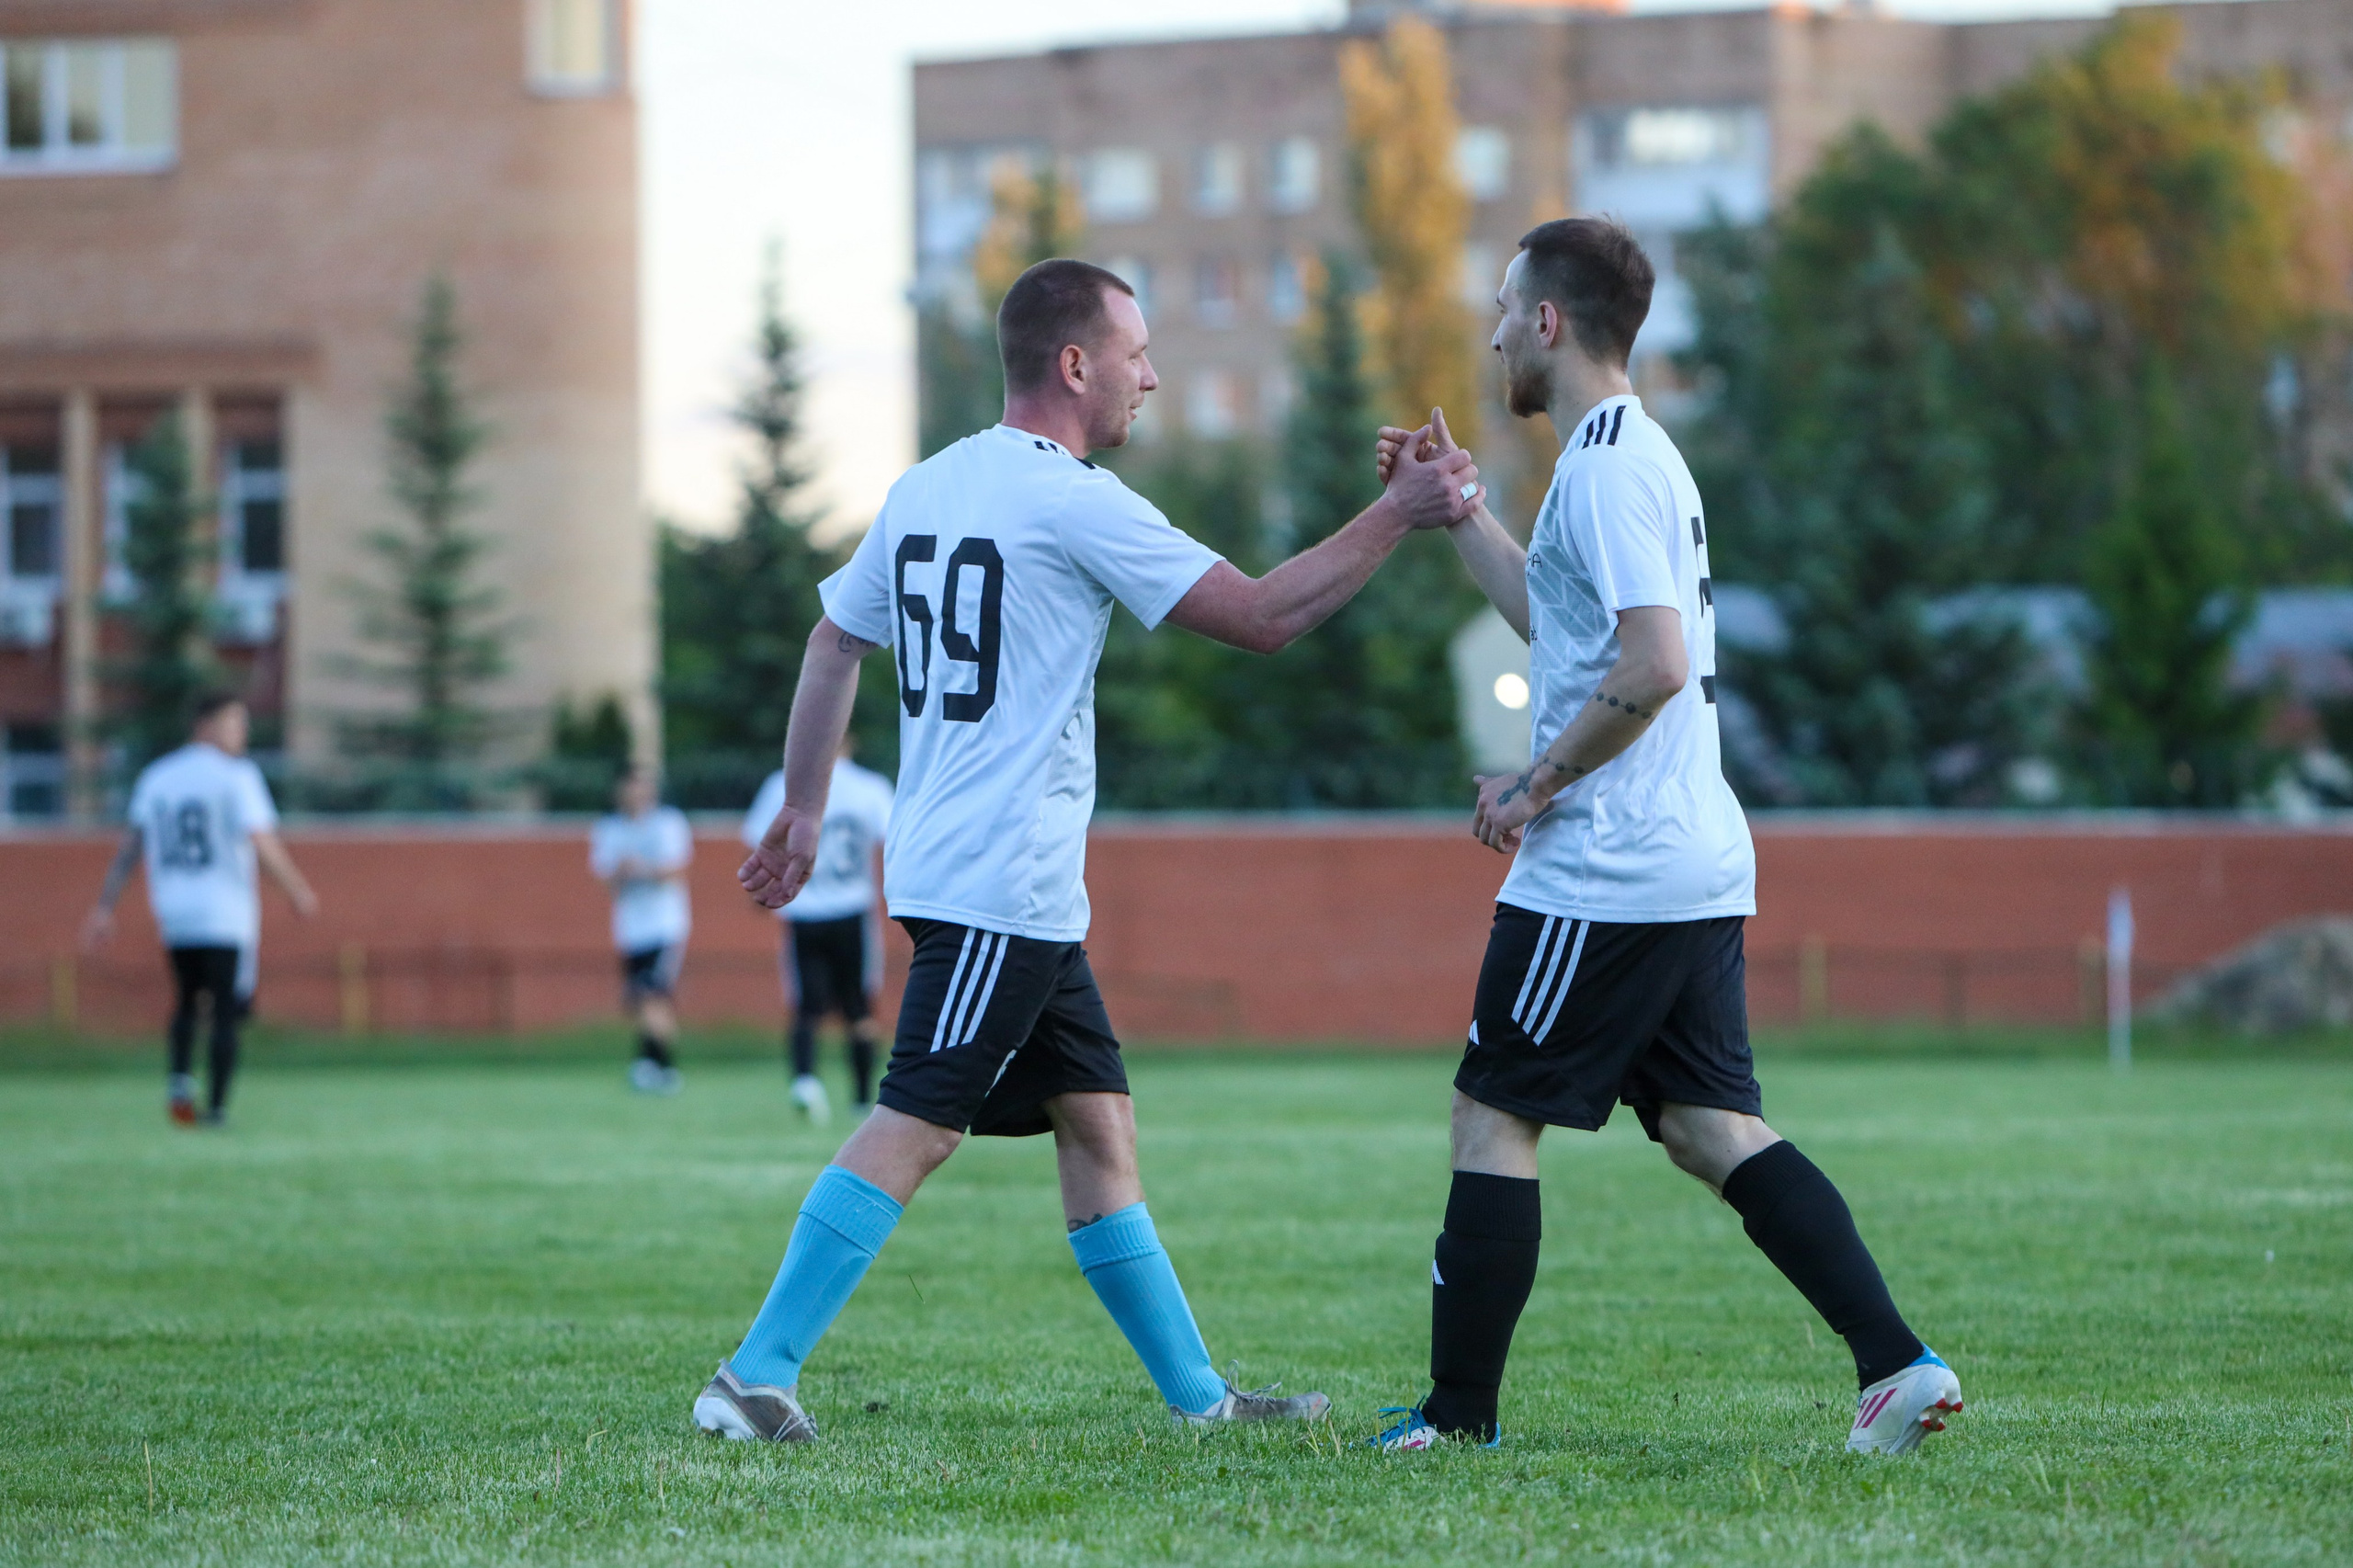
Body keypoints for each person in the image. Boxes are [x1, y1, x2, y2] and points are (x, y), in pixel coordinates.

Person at [692, 256, 1482, 1444]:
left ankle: (1202, 1402)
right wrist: (1399, 513)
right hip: (996, 882)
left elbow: (830, 642)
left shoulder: (928, 484)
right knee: (920, 1117)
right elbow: (1263, 618)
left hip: (1011, 887)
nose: (1151, 377)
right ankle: (753, 1373)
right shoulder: (1073, 498)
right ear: (1074, 365)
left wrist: (803, 807)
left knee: (1098, 1127)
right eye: (1136, 353)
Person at [1366, 219, 1961, 1457]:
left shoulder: (1611, 467)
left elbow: (1655, 665)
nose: (1486, 333)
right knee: (1709, 1127)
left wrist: (1533, 783)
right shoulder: (1615, 456)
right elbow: (1566, 624)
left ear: (1547, 322)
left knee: (1492, 1116)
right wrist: (1459, 506)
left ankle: (1456, 1420)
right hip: (1685, 860)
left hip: (1607, 867)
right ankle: (1898, 1365)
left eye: (1500, 308)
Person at [81, 692, 318, 1126]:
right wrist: (297, 889)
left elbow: (131, 847)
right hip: (224, 910)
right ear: (205, 725)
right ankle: (217, 1107)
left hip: (173, 908)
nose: (242, 734)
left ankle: (179, 1089)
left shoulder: (157, 776)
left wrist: (104, 906)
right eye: (234, 723)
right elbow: (261, 840)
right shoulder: (236, 776)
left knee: (187, 1001)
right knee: (226, 1007)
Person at [743, 737, 893, 1121]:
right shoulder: (869, 787)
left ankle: (805, 1082)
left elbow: (759, 844)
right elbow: (894, 838)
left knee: (806, 1006)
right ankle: (861, 1097)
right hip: (852, 909)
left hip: (803, 908)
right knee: (859, 1009)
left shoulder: (782, 785)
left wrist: (760, 892)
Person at [590, 767, 694, 1095]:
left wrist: (642, 868)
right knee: (642, 1001)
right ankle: (652, 1065)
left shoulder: (667, 824)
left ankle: (660, 1067)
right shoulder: (609, 829)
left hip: (664, 926)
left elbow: (675, 870)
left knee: (652, 995)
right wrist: (621, 871)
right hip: (631, 929)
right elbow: (607, 880)